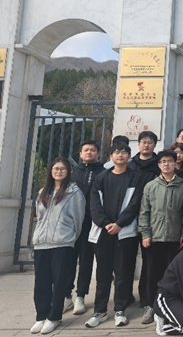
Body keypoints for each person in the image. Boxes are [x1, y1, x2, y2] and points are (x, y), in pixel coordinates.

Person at [86, 142, 144, 328]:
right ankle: (100, 311)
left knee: (123, 273)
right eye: (116, 152)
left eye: (124, 152)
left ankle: (120, 309)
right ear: (110, 156)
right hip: (103, 233)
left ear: (129, 156)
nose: (120, 155)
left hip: (125, 233)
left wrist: (119, 224)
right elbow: (94, 205)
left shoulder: (135, 178)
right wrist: (106, 224)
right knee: (103, 274)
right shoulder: (101, 178)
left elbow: (134, 205)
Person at [31, 158, 85, 335]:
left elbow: (78, 220)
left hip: (62, 243)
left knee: (59, 282)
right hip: (41, 243)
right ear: (51, 171)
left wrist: (68, 237)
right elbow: (39, 217)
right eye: (56, 168)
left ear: (68, 171)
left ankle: (54, 317)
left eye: (62, 169)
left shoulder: (74, 193)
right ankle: (41, 316)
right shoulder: (43, 192)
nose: (59, 171)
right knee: (41, 282)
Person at [138, 149, 183, 325]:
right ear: (159, 165)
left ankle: (170, 306)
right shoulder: (151, 186)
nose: (166, 164)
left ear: (175, 163)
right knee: (152, 273)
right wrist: (145, 234)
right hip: (155, 238)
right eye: (163, 162)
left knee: (173, 275)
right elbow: (144, 212)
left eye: (170, 161)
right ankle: (151, 305)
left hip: (176, 238)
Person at [66, 141, 105, 316]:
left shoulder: (103, 172)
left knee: (86, 260)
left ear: (98, 153)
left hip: (92, 224)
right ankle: (66, 295)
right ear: (80, 154)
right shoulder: (72, 173)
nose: (89, 152)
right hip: (71, 224)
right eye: (86, 150)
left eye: (92, 150)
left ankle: (81, 295)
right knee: (68, 261)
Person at [129, 131, 161, 318]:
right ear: (139, 144)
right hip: (129, 217)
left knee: (149, 261)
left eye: (150, 142)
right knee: (127, 259)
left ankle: (146, 297)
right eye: (143, 142)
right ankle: (126, 296)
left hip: (151, 217)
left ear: (154, 145)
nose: (146, 145)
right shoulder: (131, 165)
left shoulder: (158, 164)